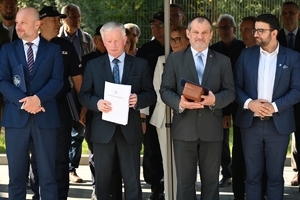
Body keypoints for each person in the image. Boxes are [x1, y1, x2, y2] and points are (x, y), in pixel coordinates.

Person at [160, 16, 235, 200]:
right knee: (184, 184)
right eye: (195, 32)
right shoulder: (174, 60)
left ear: (211, 35)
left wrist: (214, 100)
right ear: (188, 33)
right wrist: (179, 103)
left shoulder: (223, 61)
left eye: (204, 33)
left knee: (211, 184)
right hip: (184, 130)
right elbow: (165, 91)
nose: (199, 36)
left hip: (212, 131)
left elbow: (231, 92)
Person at [79, 21, 156, 200]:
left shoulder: (140, 64)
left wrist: (138, 99)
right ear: (103, 42)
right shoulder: (93, 65)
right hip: (102, 130)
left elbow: (151, 95)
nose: (113, 45)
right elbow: (83, 95)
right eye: (109, 41)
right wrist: (97, 103)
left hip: (130, 130)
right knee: (103, 182)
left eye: (117, 40)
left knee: (132, 181)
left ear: (124, 40)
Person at [234, 14, 300, 200]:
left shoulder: (293, 57)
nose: (255, 34)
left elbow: (297, 90)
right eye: (255, 30)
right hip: (250, 125)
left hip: (278, 126)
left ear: (274, 33)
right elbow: (235, 86)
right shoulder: (246, 54)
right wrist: (249, 103)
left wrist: (275, 107)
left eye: (260, 31)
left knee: (275, 178)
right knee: (252, 177)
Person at [0, 7, 64, 199]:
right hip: (16, 120)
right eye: (17, 22)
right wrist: (25, 103)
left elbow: (58, 80)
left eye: (23, 23)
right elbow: (2, 81)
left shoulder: (53, 50)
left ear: (38, 24)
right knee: (16, 178)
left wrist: (38, 99)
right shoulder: (7, 50)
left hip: (45, 118)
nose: (17, 26)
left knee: (48, 178)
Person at [29, 6, 83, 200]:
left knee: (61, 157)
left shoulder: (66, 46)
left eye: (59, 20)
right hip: (35, 110)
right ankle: (39, 196)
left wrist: (83, 107)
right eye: (54, 20)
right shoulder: (28, 45)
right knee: (37, 157)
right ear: (41, 23)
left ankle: (60, 197)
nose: (59, 23)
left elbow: (78, 80)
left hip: (60, 108)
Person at [82, 25, 122, 200]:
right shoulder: (90, 61)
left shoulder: (125, 59)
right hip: (97, 117)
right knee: (97, 158)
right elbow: (84, 91)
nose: (110, 44)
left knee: (119, 163)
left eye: (115, 40)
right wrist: (89, 107)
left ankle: (115, 193)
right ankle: (96, 189)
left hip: (123, 120)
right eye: (105, 40)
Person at [150, 25, 189, 200]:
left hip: (189, 117)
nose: (173, 43)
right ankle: (169, 196)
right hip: (164, 116)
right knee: (168, 161)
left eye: (177, 39)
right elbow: (158, 89)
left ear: (187, 40)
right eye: (171, 39)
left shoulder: (193, 61)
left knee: (185, 162)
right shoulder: (161, 60)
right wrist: (177, 103)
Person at [58, 3, 95, 183]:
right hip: (61, 91)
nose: (78, 20)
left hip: (81, 89)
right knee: (62, 130)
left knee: (78, 130)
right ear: (64, 19)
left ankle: (72, 169)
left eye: (79, 16)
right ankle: (60, 167)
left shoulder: (87, 40)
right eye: (74, 16)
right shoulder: (55, 38)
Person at [209, 14, 244, 187]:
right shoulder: (213, 50)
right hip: (220, 101)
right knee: (222, 141)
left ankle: (240, 174)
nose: (223, 30)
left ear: (234, 29)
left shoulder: (243, 47)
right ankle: (227, 173)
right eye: (220, 28)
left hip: (241, 102)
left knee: (241, 140)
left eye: (226, 27)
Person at [136, 12, 166, 199]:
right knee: (152, 148)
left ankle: (173, 183)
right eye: (153, 24)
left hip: (175, 105)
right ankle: (156, 186)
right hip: (151, 104)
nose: (155, 28)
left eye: (159, 24)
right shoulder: (146, 49)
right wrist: (143, 114)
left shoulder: (177, 44)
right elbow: (141, 82)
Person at [229, 16, 257, 200]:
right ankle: (238, 194)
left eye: (247, 30)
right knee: (238, 157)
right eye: (242, 29)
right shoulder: (237, 52)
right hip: (241, 114)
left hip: (265, 116)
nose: (243, 34)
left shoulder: (270, 53)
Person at [277, 1, 300, 188]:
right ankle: (274, 178)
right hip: (280, 97)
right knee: (277, 139)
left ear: (298, 14)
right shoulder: (275, 38)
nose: (288, 16)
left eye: (291, 12)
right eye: (284, 13)